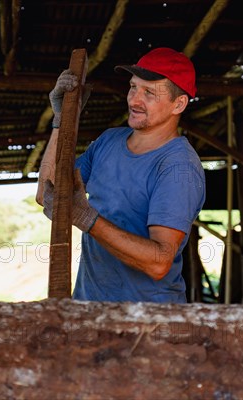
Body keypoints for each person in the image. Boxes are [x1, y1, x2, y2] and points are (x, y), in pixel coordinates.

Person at [36, 47, 205, 303]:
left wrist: (87, 219)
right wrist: (62, 119)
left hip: (147, 321)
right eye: (133, 87)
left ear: (178, 104)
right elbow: (48, 192)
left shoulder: (178, 167)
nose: (134, 100)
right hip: (89, 309)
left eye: (149, 92)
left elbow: (159, 263)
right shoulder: (108, 142)